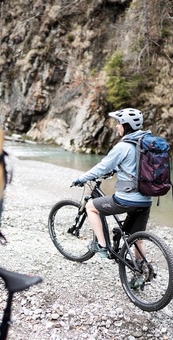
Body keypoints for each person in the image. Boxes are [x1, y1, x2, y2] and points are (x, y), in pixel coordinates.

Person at [71, 108, 151, 275]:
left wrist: (81, 178)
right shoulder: (147, 143)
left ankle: (101, 245)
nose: (117, 126)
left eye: (119, 123)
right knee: (137, 237)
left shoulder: (122, 146)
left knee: (91, 206)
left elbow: (102, 167)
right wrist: (116, 170)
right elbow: (134, 167)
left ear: (126, 126)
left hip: (127, 199)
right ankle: (142, 271)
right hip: (146, 199)